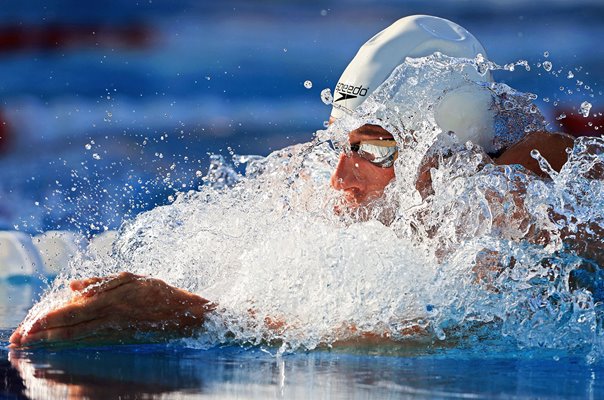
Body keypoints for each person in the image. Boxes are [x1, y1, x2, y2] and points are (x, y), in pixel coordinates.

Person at [8, 15, 587, 349]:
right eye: (341, 147)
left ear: (447, 150)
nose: (342, 179)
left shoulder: (512, 205)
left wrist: (191, 314)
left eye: (375, 148)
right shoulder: (323, 187)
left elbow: (456, 329)